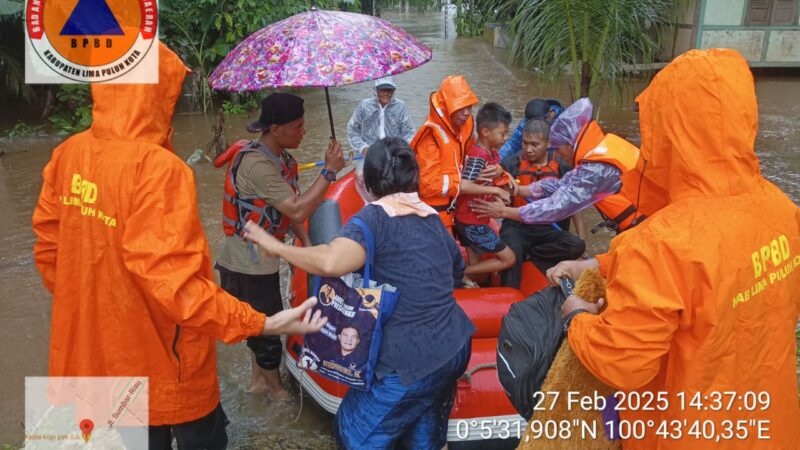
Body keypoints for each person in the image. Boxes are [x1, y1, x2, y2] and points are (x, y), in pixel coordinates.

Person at [31, 43, 327, 450]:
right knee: (196, 434)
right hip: (165, 364)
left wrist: (105, 309)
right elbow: (178, 291)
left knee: (121, 438)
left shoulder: (67, 155)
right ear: (158, 92)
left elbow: (51, 256)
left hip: (94, 356)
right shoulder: (158, 169)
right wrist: (263, 323)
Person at [550, 48, 800, 449]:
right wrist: (600, 263)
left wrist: (577, 319)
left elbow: (621, 362)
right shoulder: (783, 212)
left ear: (668, 131)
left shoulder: (659, 243)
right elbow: (716, 273)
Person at [244, 137, 475, 449]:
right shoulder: (430, 215)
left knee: (353, 433)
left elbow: (330, 261)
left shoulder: (374, 218)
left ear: (368, 181)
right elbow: (455, 270)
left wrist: (277, 247)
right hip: (455, 346)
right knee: (426, 434)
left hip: (411, 359)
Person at [214, 93, 345, 400]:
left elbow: (290, 213)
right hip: (246, 263)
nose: (304, 132)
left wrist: (307, 247)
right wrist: (329, 171)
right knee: (268, 328)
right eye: (298, 126)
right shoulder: (257, 165)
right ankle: (276, 393)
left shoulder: (283, 161)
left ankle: (258, 382)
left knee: (259, 326)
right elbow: (299, 208)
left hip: (263, 259)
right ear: (275, 129)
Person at [471, 97, 644, 235]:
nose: (558, 154)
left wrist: (504, 212)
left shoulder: (596, 169)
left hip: (643, 226)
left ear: (571, 144)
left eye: (559, 148)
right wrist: (519, 190)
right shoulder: (603, 148)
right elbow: (561, 185)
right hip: (639, 223)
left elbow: (556, 207)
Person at [498, 119, 585, 288]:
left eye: (535, 144)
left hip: (548, 228)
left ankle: (530, 253)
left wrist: (581, 237)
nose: (528, 149)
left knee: (577, 245)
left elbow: (575, 205)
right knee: (513, 248)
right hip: (517, 225)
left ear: (548, 143)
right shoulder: (511, 164)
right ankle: (509, 293)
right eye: (525, 143)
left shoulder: (563, 167)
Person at [410, 75, 483, 230]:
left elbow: (473, 153)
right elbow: (428, 185)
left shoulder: (465, 127)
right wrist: (462, 183)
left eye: (469, 106)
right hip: (434, 216)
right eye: (460, 108)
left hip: (456, 207)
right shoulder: (430, 138)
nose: (466, 113)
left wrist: (500, 173)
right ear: (446, 107)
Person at [454, 102, 516, 279]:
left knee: (477, 265)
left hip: (473, 218)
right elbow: (463, 186)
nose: (506, 138)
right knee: (508, 259)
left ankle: (469, 278)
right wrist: (497, 192)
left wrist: (504, 175)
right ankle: (460, 273)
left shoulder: (490, 152)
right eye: (502, 133)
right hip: (470, 221)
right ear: (485, 132)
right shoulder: (477, 156)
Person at [347, 77, 415, 154]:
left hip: (394, 153)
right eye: (382, 90)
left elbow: (409, 132)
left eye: (389, 90)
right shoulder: (364, 106)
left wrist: (401, 149)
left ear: (393, 91)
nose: (386, 94)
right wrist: (363, 148)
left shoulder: (400, 106)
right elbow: (352, 129)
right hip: (370, 153)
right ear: (376, 90)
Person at [498, 98, 563, 161]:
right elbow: (512, 146)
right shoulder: (525, 123)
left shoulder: (564, 125)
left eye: (539, 122)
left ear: (550, 114)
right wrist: (496, 162)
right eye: (530, 122)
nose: (534, 126)